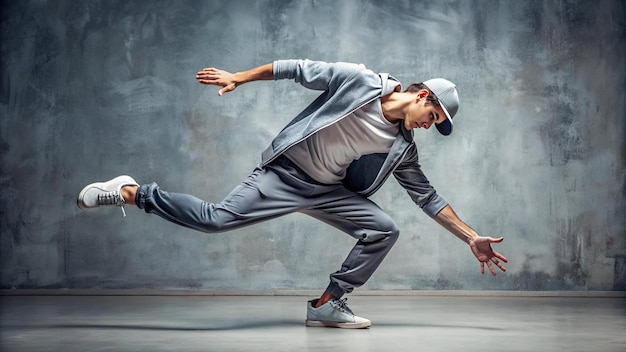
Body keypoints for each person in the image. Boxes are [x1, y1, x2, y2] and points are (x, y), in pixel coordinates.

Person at [77, 59, 508, 329]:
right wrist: (239, 78)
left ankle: (327, 304)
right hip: (284, 176)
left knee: (384, 228)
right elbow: (295, 68)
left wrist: (470, 236)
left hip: (327, 191)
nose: (429, 125)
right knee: (214, 219)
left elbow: (427, 197)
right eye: (433, 115)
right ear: (422, 95)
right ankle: (133, 192)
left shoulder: (403, 148)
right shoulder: (359, 82)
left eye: (436, 123)